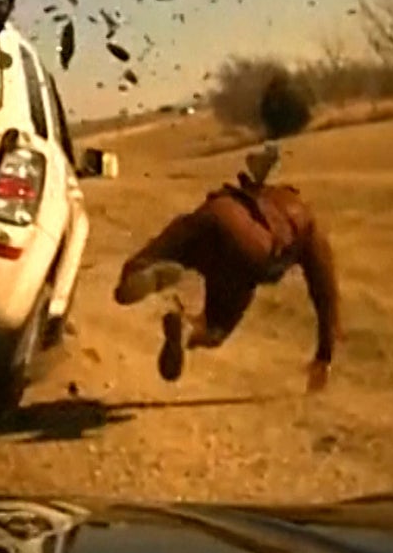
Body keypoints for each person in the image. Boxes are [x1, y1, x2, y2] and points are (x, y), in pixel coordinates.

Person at [112, 146, 340, 392]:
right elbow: (325, 294)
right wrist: (324, 356)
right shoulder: (306, 221)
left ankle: (140, 273)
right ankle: (189, 328)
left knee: (154, 255)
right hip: (250, 249)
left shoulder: (253, 193)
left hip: (212, 215)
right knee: (215, 329)